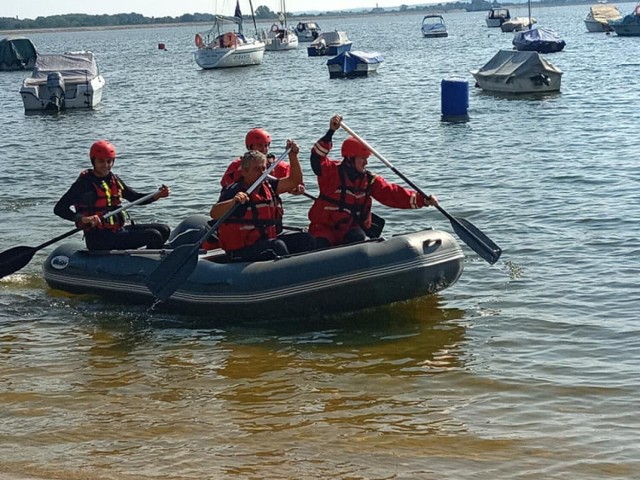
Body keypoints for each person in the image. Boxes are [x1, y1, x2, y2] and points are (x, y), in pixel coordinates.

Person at [308, 114, 439, 248]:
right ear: (350, 158)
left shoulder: (369, 181)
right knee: (319, 244)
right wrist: (331, 132)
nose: (366, 162)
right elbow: (317, 157)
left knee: (358, 237)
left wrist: (422, 200)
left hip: (349, 230)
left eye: (366, 158)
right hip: (325, 229)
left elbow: (392, 194)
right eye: (363, 158)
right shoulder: (331, 173)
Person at [54, 140, 171, 251]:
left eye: (109, 161)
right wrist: (83, 219)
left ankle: (145, 258)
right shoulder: (83, 184)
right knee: (153, 235)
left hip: (116, 231)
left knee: (164, 230)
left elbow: (134, 198)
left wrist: (157, 195)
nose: (106, 165)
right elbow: (59, 209)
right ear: (93, 161)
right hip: (98, 239)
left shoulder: (113, 179)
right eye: (101, 161)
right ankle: (148, 266)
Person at [210, 141, 316, 262]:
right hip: (243, 250)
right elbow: (214, 213)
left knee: (305, 239)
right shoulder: (234, 190)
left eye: (264, 168)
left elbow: (294, 181)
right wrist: (233, 202)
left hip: (267, 240)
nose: (262, 173)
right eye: (256, 169)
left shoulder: (269, 185)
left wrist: (293, 156)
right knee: (277, 246)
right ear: (244, 171)